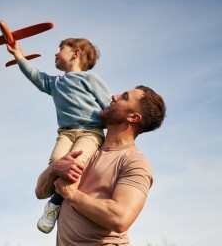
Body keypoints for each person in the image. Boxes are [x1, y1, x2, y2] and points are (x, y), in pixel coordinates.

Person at [35, 85, 166, 245]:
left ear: (133, 117)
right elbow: (40, 192)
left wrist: (72, 194)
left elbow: (120, 218)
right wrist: (54, 169)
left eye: (124, 97)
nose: (114, 96)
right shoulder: (85, 148)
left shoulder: (135, 162)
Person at [7, 38, 112, 233]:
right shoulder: (55, 82)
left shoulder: (90, 79)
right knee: (56, 162)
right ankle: (53, 195)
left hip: (90, 131)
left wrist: (117, 128)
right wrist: (18, 55)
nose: (56, 53)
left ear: (76, 53)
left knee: (76, 164)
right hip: (66, 133)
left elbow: (108, 105)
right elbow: (35, 75)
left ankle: (54, 203)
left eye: (61, 48)